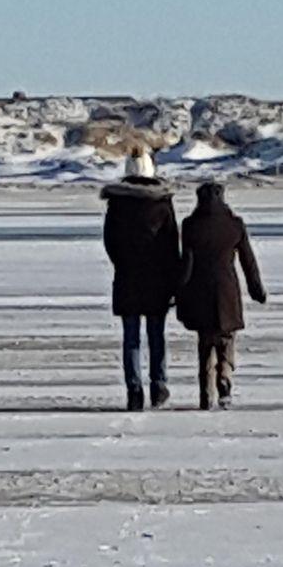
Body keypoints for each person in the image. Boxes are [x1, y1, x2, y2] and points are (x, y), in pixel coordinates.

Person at [101, 148, 182, 411]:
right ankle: (158, 385)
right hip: (158, 280)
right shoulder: (162, 202)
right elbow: (171, 243)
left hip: (128, 279)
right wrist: (173, 277)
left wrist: (123, 264)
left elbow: (110, 241)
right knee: (156, 335)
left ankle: (134, 391)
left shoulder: (117, 203)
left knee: (131, 339)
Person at [176, 181, 267, 410]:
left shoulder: (191, 225)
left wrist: (178, 290)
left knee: (205, 344)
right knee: (226, 339)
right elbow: (248, 260)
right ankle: (225, 377)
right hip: (227, 290)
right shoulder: (234, 225)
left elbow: (187, 263)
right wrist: (256, 289)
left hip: (200, 291)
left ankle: (206, 394)